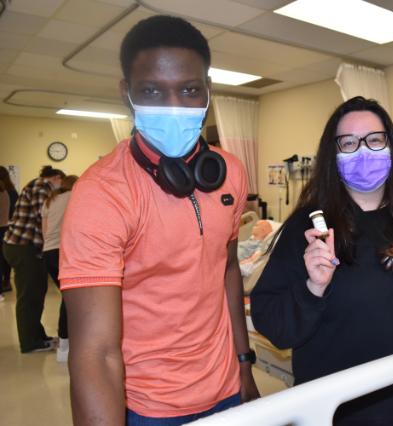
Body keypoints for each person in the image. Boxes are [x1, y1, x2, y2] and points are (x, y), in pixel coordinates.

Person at [59, 15, 259, 425]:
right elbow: (95, 353)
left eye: (189, 90)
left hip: (226, 388)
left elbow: (228, 268)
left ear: (208, 92)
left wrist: (244, 364)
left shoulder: (232, 173)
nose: (173, 107)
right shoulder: (102, 195)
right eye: (152, 91)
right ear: (126, 95)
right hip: (148, 406)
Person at [250, 96, 393, 425]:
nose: (363, 151)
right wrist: (312, 288)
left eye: (374, 140)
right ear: (333, 155)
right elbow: (273, 325)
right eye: (349, 143)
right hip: (337, 411)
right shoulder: (308, 227)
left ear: (392, 146)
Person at [2, 165, 65, 352]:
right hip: (24, 247)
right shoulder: (41, 187)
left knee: (36, 293)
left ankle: (38, 335)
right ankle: (29, 342)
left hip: (25, 247)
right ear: (55, 178)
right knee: (29, 296)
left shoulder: (36, 186)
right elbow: (43, 215)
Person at [41, 175, 78, 362]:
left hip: (48, 252)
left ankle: (65, 345)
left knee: (66, 298)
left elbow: (44, 231)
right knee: (69, 299)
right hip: (65, 251)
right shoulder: (75, 195)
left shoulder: (50, 200)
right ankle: (64, 346)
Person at [0, 166, 19, 295]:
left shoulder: (6, 192)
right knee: (5, 257)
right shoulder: (12, 191)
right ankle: (6, 282)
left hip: (3, 225)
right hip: (9, 227)